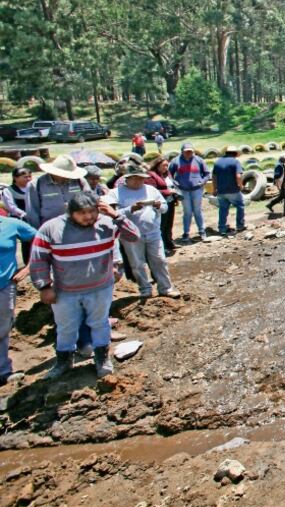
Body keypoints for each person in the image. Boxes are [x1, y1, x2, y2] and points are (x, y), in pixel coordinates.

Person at [30, 193, 140, 379]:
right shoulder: (51, 228)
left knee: (100, 324)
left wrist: (115, 215)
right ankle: (64, 361)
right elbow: (39, 259)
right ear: (70, 212)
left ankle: (102, 359)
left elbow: (134, 236)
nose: (88, 217)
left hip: (100, 288)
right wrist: (44, 287)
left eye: (92, 212)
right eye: (82, 213)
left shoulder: (106, 224)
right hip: (65, 291)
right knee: (65, 328)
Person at [109, 162, 181, 300]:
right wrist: (131, 209)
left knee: (159, 260)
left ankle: (166, 288)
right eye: (135, 178)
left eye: (141, 178)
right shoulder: (116, 193)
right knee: (137, 263)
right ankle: (145, 289)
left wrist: (159, 205)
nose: (139, 181)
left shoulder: (151, 190)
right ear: (127, 178)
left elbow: (165, 207)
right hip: (130, 235)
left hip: (153, 231)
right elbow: (113, 213)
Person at [0, 212, 35, 384]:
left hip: (4, 286)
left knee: (2, 328)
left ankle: (3, 371)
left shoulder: (11, 224)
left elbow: (41, 240)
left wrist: (29, 267)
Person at [26, 155, 88, 229]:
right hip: (50, 228)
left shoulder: (80, 181)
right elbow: (32, 212)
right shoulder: (36, 185)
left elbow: (90, 202)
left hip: (78, 226)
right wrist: (38, 232)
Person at [168, 142, 210, 243]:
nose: (188, 153)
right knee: (187, 212)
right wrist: (175, 183)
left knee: (197, 211)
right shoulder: (176, 161)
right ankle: (186, 233)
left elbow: (207, 173)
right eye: (186, 151)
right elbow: (169, 173)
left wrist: (202, 182)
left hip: (197, 189)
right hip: (183, 190)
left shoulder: (199, 160)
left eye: (190, 151)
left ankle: (202, 231)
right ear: (182, 151)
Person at [145, 157, 178, 255]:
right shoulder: (151, 175)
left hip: (170, 201)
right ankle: (162, 247)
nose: (166, 167)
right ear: (157, 165)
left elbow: (172, 184)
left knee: (169, 224)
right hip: (159, 204)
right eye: (164, 165)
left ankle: (169, 242)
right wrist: (168, 192)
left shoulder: (166, 174)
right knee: (162, 225)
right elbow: (152, 190)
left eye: (167, 165)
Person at [2, 167, 33, 264]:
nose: (28, 179)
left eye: (29, 176)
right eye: (25, 177)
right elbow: (11, 207)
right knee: (26, 242)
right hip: (19, 219)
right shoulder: (8, 190)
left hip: (33, 217)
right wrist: (24, 214)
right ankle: (27, 263)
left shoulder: (33, 187)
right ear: (15, 178)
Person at [212, 146, 245, 236]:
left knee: (223, 209)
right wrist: (241, 185)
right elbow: (238, 176)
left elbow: (214, 177)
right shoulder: (235, 162)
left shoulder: (217, 162)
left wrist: (214, 188)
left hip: (221, 191)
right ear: (235, 153)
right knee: (240, 206)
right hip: (233, 190)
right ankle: (240, 225)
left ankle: (222, 228)